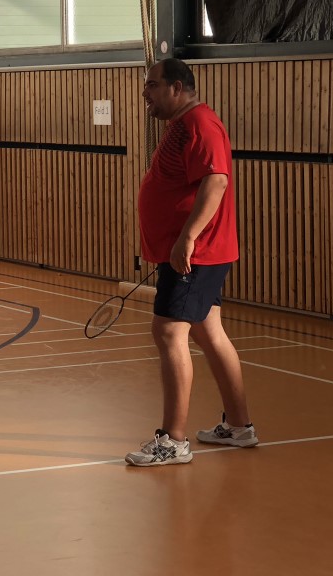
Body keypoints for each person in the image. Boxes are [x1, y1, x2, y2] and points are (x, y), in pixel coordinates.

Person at [125, 58, 259, 467]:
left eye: (152, 85)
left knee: (168, 331)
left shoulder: (201, 124)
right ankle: (239, 426)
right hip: (191, 251)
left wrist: (187, 238)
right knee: (209, 332)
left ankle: (173, 441)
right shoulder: (180, 125)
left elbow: (216, 181)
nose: (145, 93)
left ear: (177, 87)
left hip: (196, 253)